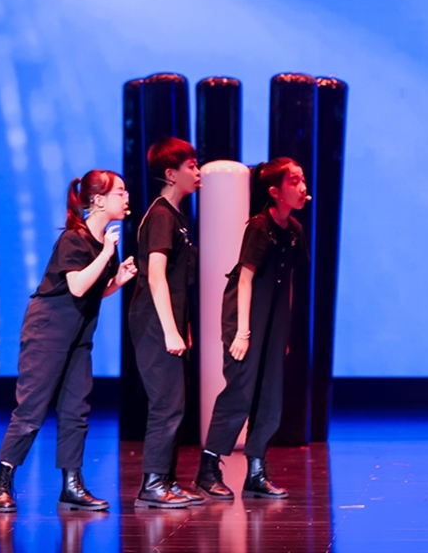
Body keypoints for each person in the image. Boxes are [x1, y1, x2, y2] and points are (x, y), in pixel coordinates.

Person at [0, 171, 137, 512]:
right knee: (32, 407)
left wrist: (117, 280)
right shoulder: (75, 239)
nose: (126, 197)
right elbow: (77, 286)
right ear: (98, 200)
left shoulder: (105, 244)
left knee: (76, 408)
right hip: (48, 330)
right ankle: (2, 481)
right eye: (120, 191)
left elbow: (94, 291)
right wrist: (106, 254)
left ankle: (72, 484)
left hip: (79, 333)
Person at [196, 159, 310, 500]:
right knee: (240, 390)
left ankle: (256, 471)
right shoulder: (260, 226)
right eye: (294, 181)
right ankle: (208, 468)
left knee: (270, 393)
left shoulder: (294, 229)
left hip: (273, 318)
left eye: (302, 180)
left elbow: (289, 281)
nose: (302, 187)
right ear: (275, 192)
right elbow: (245, 279)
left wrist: (282, 332)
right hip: (245, 315)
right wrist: (243, 333)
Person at [129, 137, 201, 508]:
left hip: (169, 319)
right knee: (166, 404)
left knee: (176, 402)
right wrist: (170, 330)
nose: (198, 172)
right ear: (171, 174)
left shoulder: (177, 216)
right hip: (154, 322)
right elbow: (156, 275)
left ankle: (167, 480)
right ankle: (153, 483)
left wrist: (182, 326)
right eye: (191, 166)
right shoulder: (160, 216)